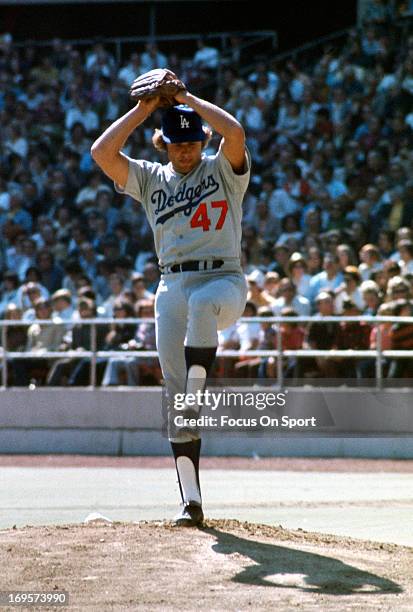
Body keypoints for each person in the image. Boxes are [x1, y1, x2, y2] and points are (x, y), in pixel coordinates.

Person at [91, 77, 250, 526]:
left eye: (193, 140)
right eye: (178, 141)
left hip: (223, 279)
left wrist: (186, 99)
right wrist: (145, 109)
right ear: (164, 143)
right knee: (175, 402)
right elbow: (102, 154)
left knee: (203, 305)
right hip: (170, 287)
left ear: (203, 140)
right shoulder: (150, 177)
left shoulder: (220, 170)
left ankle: (196, 390)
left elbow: (235, 133)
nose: (186, 150)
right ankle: (191, 500)